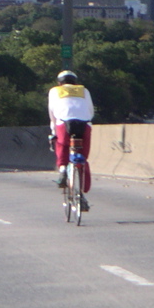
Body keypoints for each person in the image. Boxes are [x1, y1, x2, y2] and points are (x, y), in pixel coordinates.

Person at [48, 69, 95, 210]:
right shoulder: (84, 91)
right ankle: (81, 193)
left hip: (64, 123)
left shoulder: (54, 91)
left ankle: (62, 170)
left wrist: (53, 131)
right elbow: (91, 112)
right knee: (83, 156)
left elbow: (52, 114)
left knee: (61, 144)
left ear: (59, 82)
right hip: (84, 124)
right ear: (75, 82)